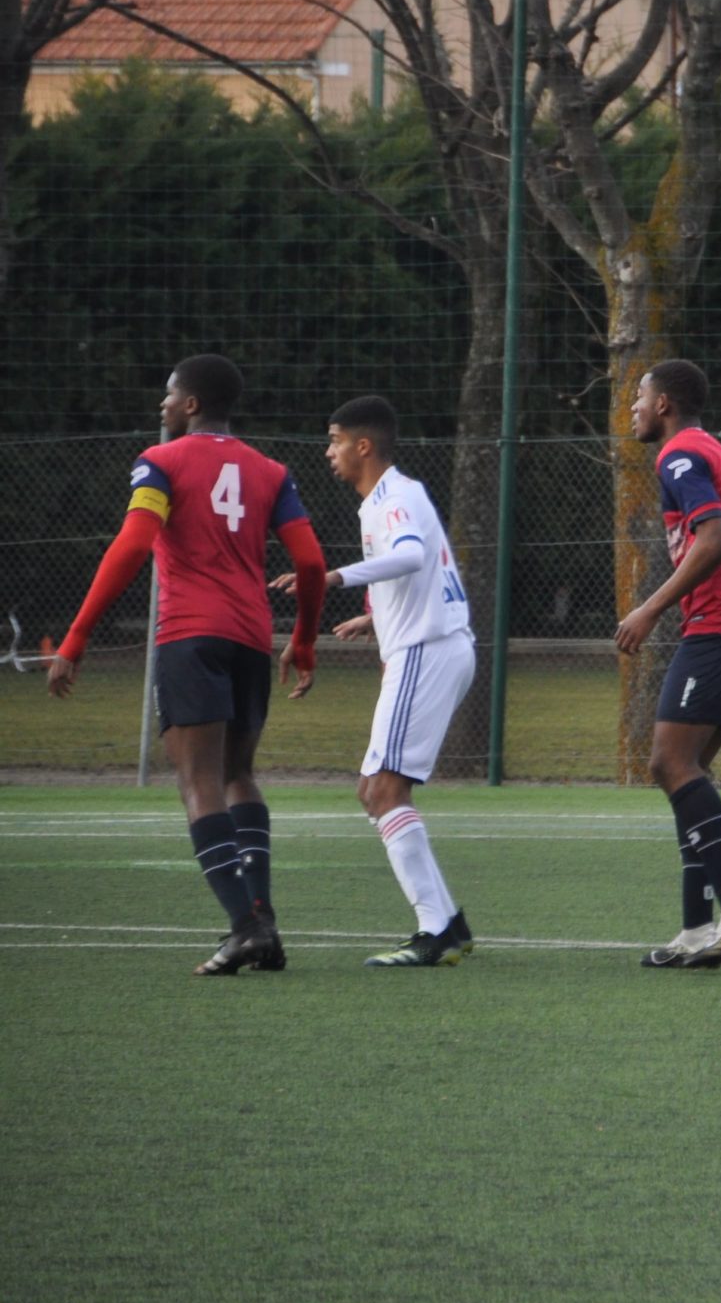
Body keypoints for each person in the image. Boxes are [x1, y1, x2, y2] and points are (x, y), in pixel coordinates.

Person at [47, 354, 327, 974]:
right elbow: (310, 563)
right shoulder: (271, 471)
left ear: (192, 404)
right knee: (239, 776)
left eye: (169, 395)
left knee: (198, 782)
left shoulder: (161, 461)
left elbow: (134, 542)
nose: (162, 405)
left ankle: (245, 926)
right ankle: (264, 924)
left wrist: (76, 636)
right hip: (253, 636)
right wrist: (303, 637)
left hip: (190, 634)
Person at [271, 396, 478, 966]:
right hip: (434, 645)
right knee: (374, 791)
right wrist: (377, 613)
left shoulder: (391, 497)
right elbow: (430, 566)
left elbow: (411, 556)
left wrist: (334, 575)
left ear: (364, 446)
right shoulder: (399, 495)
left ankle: (434, 931)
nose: (328, 450)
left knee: (384, 791)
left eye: (335, 439)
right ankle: (449, 924)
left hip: (426, 652)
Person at [617, 360, 721, 970]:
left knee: (669, 762)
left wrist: (649, 610)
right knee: (687, 775)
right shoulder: (712, 449)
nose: (632, 407)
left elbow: (715, 540)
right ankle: (695, 929)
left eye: (639, 396)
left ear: (664, 404)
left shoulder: (679, 455)